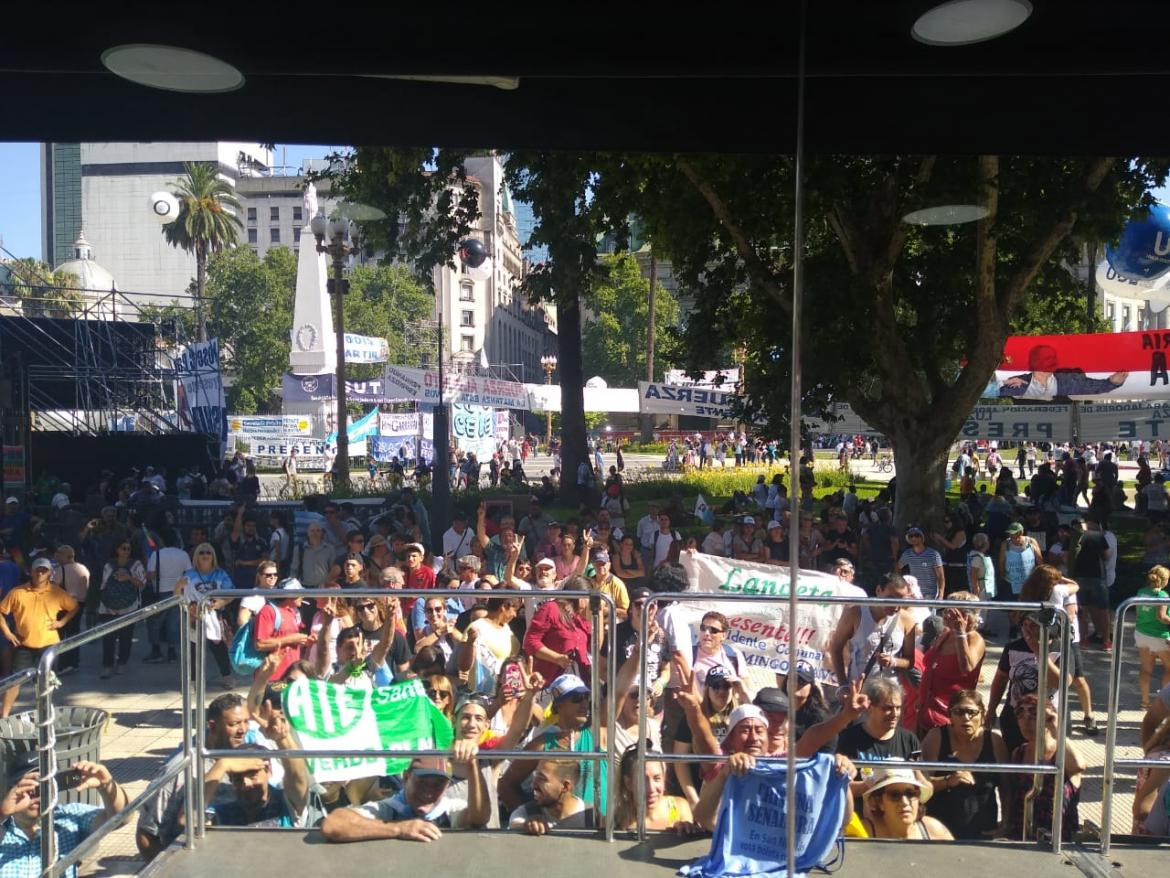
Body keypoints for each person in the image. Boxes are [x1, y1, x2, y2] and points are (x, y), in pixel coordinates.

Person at [1, 755, 129, 874]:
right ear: (12, 789)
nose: (37, 796)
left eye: (45, 787)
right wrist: (2, 813)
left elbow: (120, 818)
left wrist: (107, 786)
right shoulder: (3, 825)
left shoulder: (67, 818)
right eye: (30, 787)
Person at [920, 689, 1010, 840]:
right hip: (940, 831)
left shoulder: (995, 742)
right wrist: (948, 781)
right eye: (959, 712)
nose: (966, 718)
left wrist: (1006, 822)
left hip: (983, 831)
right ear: (950, 716)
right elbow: (920, 786)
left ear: (982, 715)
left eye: (971, 712)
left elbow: (1006, 787)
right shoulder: (936, 738)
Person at [0, 559, 79, 717]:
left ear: (50, 573)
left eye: (44, 570)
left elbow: (74, 607)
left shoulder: (57, 592)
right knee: (15, 682)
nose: (40, 573)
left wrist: (61, 622)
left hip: (49, 645)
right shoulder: (17, 592)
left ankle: (45, 714)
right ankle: (3, 715)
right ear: (31, 571)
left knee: (46, 682)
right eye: (38, 570)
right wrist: (8, 633)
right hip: (24, 644)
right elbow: (1, 611)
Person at [903, 591, 985, 736]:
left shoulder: (974, 639)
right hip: (926, 711)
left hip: (951, 716)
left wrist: (961, 633)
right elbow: (929, 663)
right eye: (946, 610)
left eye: (952, 612)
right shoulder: (946, 633)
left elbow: (967, 668)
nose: (945, 615)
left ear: (967, 616)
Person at [1007, 695, 1084, 841]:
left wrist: (1057, 729)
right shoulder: (1019, 752)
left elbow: (1078, 766)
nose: (1026, 721)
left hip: (1057, 837)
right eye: (1020, 714)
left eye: (1034, 714)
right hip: (1022, 833)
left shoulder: (1063, 753)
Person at [828, 573, 917, 686]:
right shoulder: (855, 612)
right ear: (879, 590)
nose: (895, 606)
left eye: (901, 601)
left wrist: (894, 662)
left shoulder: (907, 620)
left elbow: (909, 661)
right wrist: (843, 686)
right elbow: (835, 647)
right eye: (891, 599)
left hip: (890, 693)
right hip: (859, 690)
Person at [177, 543, 237, 690]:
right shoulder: (188, 575)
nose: (205, 555)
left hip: (215, 615)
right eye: (202, 552)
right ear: (196, 556)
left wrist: (221, 602)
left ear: (213, 556)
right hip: (194, 615)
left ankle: (227, 675)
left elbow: (232, 593)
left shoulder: (221, 574)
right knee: (193, 648)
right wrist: (178, 587)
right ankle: (193, 680)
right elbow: (177, 596)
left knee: (219, 648)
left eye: (208, 552)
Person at [836, 677, 920, 764]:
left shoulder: (909, 740)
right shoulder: (848, 739)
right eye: (888, 708)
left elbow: (921, 775)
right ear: (869, 707)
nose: (895, 714)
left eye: (898, 708)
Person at [96, 539, 146, 678]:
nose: (126, 551)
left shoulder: (136, 565)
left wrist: (128, 578)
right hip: (108, 607)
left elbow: (142, 584)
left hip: (129, 607)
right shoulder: (109, 565)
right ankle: (107, 666)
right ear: (117, 549)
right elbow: (103, 585)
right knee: (108, 638)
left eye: (128, 549)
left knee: (126, 637)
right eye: (123, 548)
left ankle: (122, 663)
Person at [613, 747, 693, 831]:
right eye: (642, 780)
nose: (651, 789)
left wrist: (686, 827)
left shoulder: (678, 807)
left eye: (657, 778)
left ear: (664, 777)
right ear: (628, 783)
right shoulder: (617, 820)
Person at [859, 768, 953, 840]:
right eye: (894, 795)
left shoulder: (934, 830)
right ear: (879, 802)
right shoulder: (863, 833)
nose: (905, 802)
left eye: (910, 794)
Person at [144, 530, 191, 665]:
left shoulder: (156, 554)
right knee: (173, 623)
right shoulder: (183, 554)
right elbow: (188, 574)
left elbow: (151, 575)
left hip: (160, 592)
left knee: (155, 623)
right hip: (179, 593)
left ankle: (156, 650)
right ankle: (171, 651)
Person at [508, 759, 594, 834]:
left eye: (542, 779)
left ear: (565, 786)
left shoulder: (592, 818)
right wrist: (527, 825)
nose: (533, 784)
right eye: (535, 775)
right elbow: (515, 823)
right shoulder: (526, 813)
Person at [49, 545, 89, 673]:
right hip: (80, 604)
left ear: (67, 556)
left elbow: (52, 588)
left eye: (59, 554)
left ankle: (64, 664)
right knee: (74, 633)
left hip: (65, 606)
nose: (57, 556)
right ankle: (73, 662)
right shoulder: (84, 568)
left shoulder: (61, 570)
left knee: (61, 635)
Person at [1136, 565, 1170, 710]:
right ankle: (1164, 703)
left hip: (1142, 633)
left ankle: (1144, 702)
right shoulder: (1162, 596)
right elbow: (1161, 617)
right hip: (1159, 635)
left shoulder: (1141, 592)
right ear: (1164, 580)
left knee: (1145, 669)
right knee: (1169, 669)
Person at [898, 527, 945, 601]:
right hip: (914, 593)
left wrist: (941, 594)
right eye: (911, 536)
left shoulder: (934, 554)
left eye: (917, 535)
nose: (914, 538)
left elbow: (940, 577)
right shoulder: (907, 554)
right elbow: (897, 568)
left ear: (922, 537)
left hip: (930, 594)